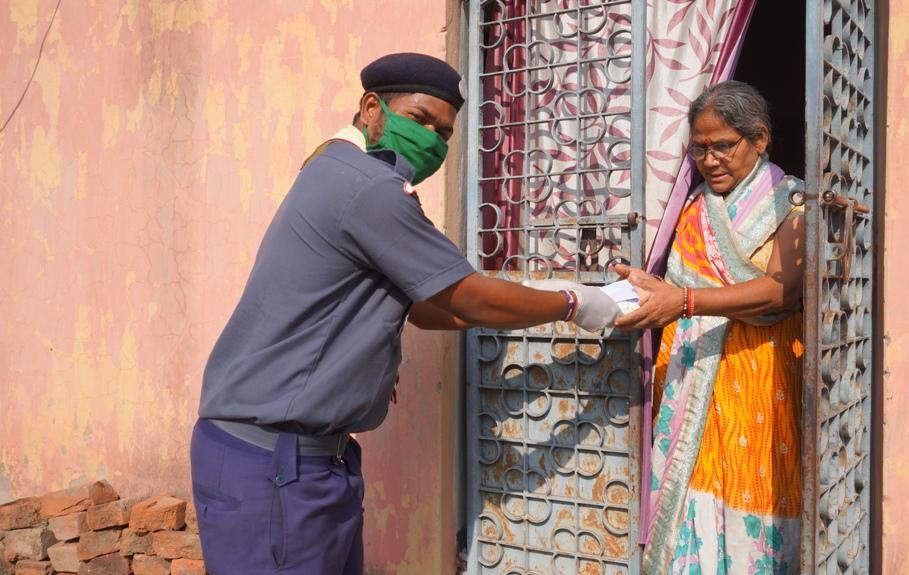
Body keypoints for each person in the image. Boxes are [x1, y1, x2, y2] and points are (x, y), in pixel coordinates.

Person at [190, 52, 620, 575]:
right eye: (419, 120)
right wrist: (575, 303)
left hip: (305, 459)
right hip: (276, 464)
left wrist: (519, 298)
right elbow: (466, 297)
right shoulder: (370, 189)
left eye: (444, 132)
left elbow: (429, 306)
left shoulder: (339, 171)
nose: (432, 141)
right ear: (372, 108)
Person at [614, 81, 806, 574]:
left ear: (759, 140)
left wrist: (684, 300)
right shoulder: (694, 205)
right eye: (700, 148)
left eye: (724, 145)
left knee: (754, 483)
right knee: (691, 492)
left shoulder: (792, 204)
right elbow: (682, 282)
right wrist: (655, 290)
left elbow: (781, 291)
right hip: (692, 367)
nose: (711, 159)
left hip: (760, 373)